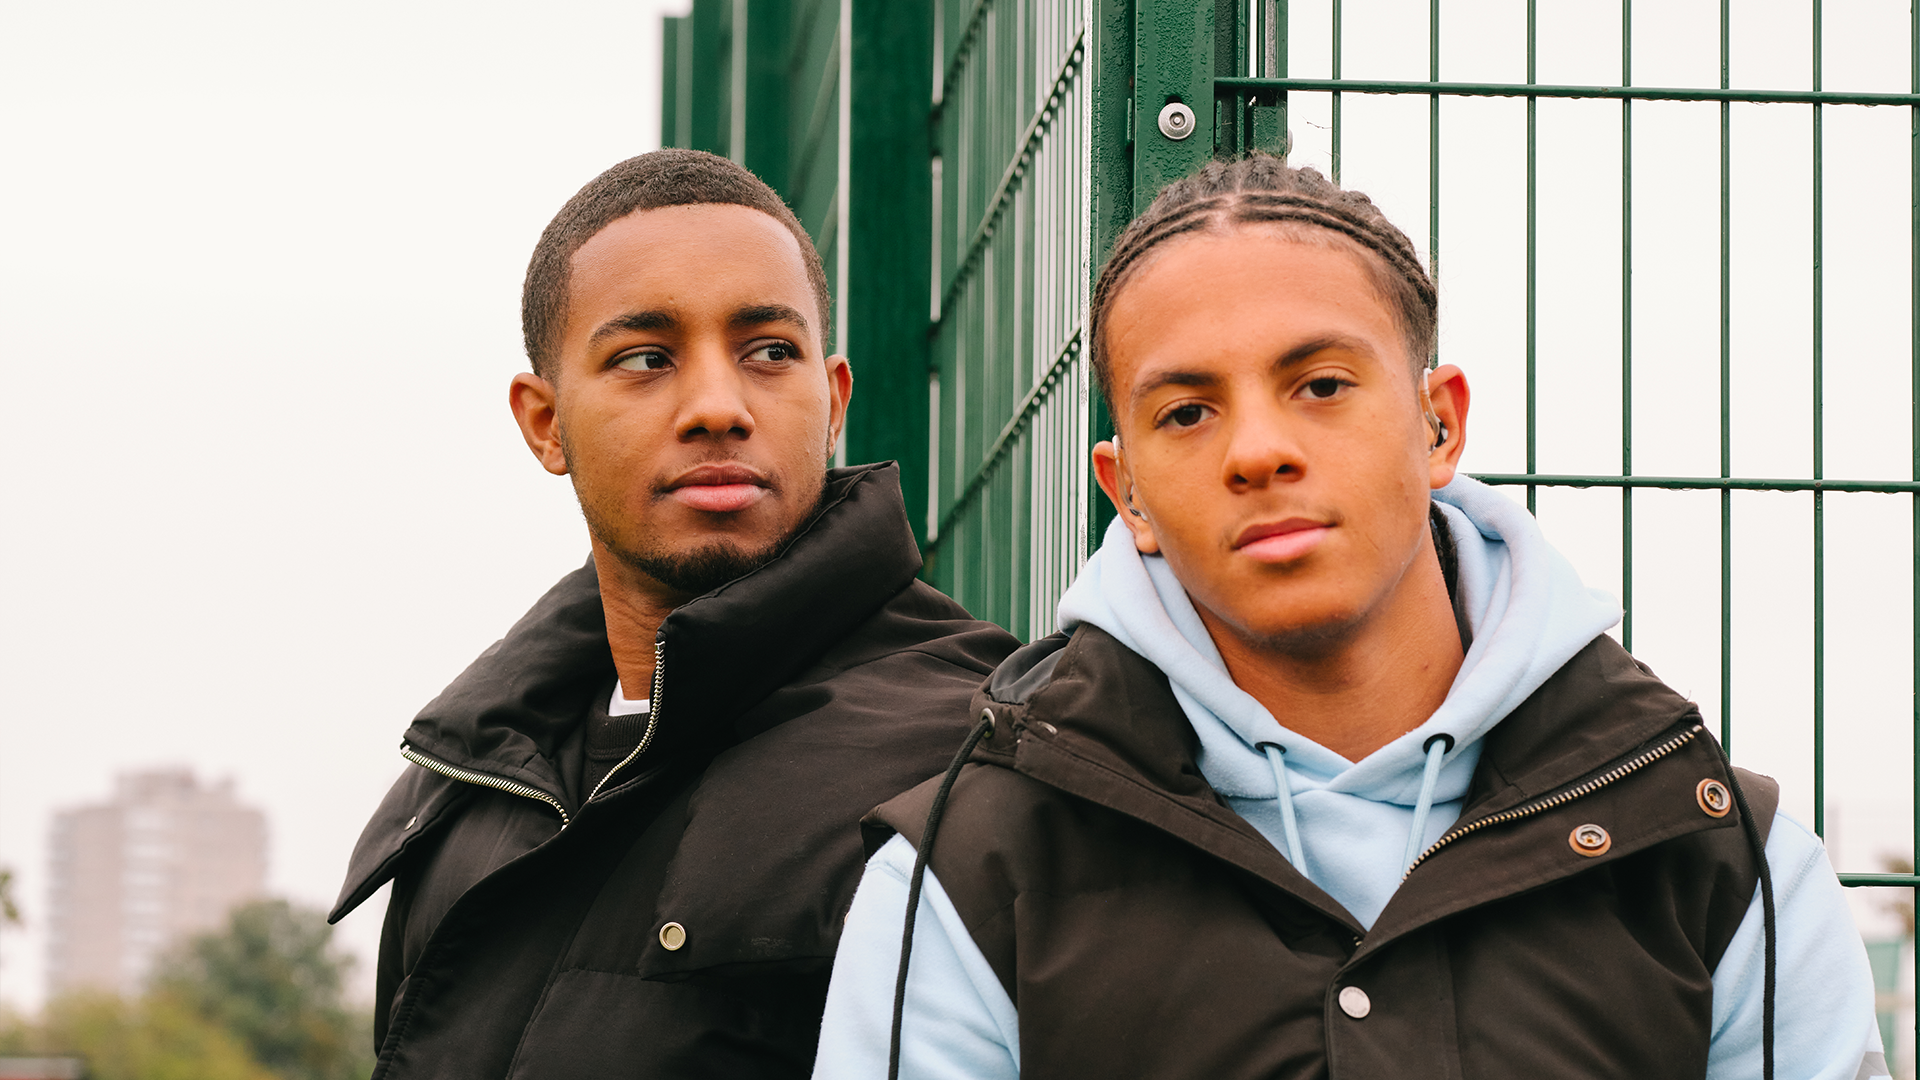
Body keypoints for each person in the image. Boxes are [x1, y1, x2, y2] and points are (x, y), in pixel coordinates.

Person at [812, 154, 1886, 1080]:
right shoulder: (962, 873)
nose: (1257, 451)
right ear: (1125, 490)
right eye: (1186, 412)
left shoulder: (1720, 856)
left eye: (1320, 385)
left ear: (1438, 424)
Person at [328, 148, 1018, 1079]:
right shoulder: (466, 791)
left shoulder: (976, 752)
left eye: (770, 352)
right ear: (544, 422)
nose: (717, 407)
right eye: (646, 359)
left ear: (834, 400)